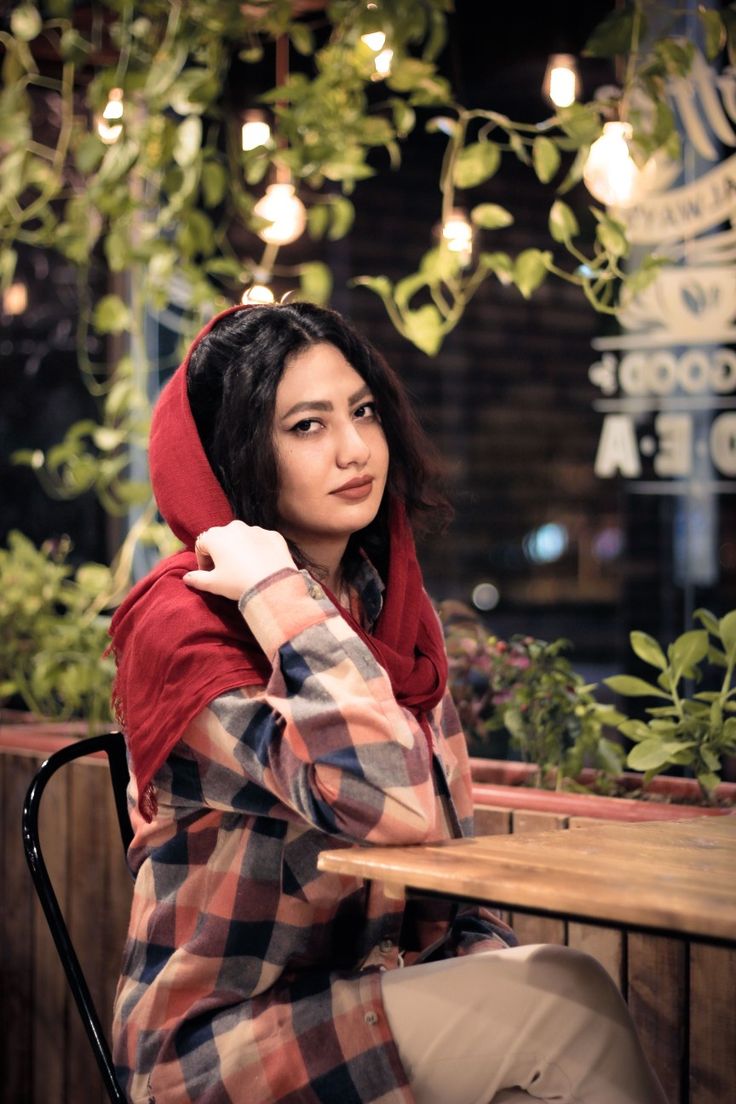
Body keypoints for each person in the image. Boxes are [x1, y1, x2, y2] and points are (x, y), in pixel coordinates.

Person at [109, 301, 668, 1104]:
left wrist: (486, 966)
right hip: (214, 1049)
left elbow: (450, 861)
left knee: (546, 1009)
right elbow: (386, 798)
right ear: (234, 456)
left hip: (365, 998)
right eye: (306, 426)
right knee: (567, 1007)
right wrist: (274, 588)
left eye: (362, 411)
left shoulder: (387, 613)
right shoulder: (188, 629)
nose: (353, 449)